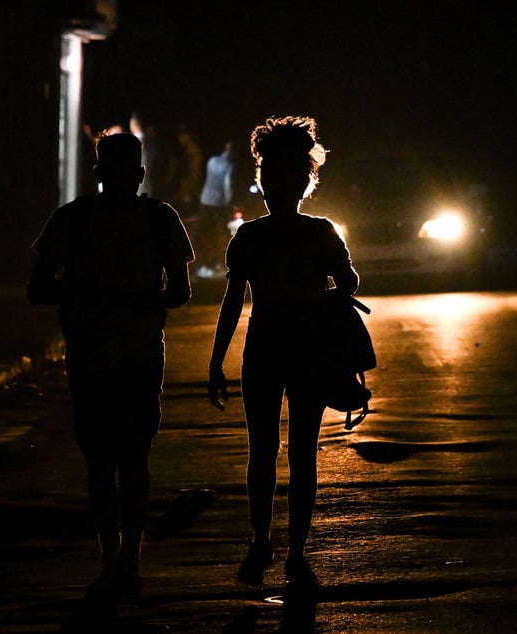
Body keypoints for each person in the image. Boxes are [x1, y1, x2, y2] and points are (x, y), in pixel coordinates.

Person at [27, 132, 194, 599]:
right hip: (100, 356)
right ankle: (117, 560)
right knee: (109, 459)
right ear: (100, 174)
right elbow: (38, 288)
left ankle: (124, 559)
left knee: (122, 459)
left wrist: (119, 299)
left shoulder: (156, 220)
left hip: (130, 356)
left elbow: (180, 292)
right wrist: (110, 297)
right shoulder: (76, 220)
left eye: (129, 170)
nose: (122, 178)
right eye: (114, 170)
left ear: (138, 174)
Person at [206, 115, 359, 586]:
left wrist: (216, 362)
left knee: (264, 451)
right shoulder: (321, 231)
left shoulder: (251, 237)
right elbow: (349, 282)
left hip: (266, 348)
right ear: (306, 182)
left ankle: (263, 542)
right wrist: (325, 298)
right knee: (301, 452)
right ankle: (293, 549)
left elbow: (234, 302)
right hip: (306, 348)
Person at [197, 141, 237, 278]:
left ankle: (200, 260)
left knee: (204, 230)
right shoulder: (230, 165)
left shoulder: (212, 160)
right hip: (219, 203)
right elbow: (228, 185)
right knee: (221, 232)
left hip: (205, 199)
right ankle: (220, 261)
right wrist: (230, 203)